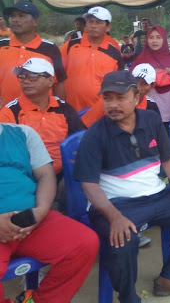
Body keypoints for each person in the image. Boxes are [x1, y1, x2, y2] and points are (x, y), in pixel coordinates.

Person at [73, 71, 170, 301]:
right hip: (116, 204)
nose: (113, 104)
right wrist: (115, 217)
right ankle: (128, 297)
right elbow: (89, 185)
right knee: (123, 242)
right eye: (107, 98)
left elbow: (169, 160)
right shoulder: (94, 135)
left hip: (157, 195)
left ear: (137, 97)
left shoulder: (151, 120)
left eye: (120, 98)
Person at [0, 122, 99, 303]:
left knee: (84, 244)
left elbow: (45, 175)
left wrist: (41, 210)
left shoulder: (23, 133)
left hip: (32, 220)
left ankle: (39, 300)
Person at [0, 58, 85, 194]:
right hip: (27, 175)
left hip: (64, 174)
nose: (26, 81)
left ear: (50, 81)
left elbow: (79, 142)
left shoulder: (64, 109)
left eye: (32, 77)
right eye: (23, 77)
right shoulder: (9, 113)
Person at [1, 0, 67, 103]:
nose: (15, 20)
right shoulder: (2, 45)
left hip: (40, 111)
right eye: (12, 16)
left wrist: (61, 109)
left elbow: (58, 83)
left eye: (21, 16)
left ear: (35, 22)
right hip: (4, 111)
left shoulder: (50, 49)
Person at [60, 6, 123, 111]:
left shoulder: (114, 53)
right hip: (70, 111)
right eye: (90, 21)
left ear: (108, 27)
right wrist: (61, 106)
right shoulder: (71, 45)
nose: (93, 26)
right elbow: (58, 76)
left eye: (98, 22)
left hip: (100, 113)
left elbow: (117, 86)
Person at [132, 25, 170, 127]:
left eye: (158, 37)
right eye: (151, 37)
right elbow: (130, 80)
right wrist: (148, 74)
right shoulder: (140, 59)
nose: (154, 41)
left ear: (164, 39)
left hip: (169, 108)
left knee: (167, 133)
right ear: (147, 40)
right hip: (145, 107)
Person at [81, 63, 161, 127]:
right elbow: (85, 125)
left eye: (144, 84)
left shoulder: (151, 107)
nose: (138, 87)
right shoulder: (109, 101)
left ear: (152, 86)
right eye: (136, 81)